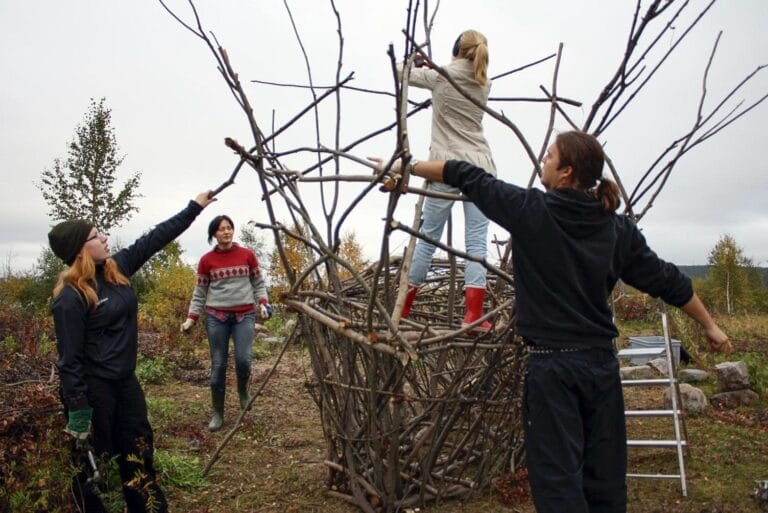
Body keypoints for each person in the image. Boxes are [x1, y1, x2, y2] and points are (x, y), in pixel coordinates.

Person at [372, 130, 732, 513]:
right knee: (606, 482)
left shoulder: (531, 211)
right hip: (601, 369)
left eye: (550, 155)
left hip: (553, 371)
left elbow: (465, 174)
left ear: (566, 172)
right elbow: (668, 280)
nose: (543, 160)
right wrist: (709, 325)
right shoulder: (615, 228)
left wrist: (406, 167)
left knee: (558, 484)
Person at [49, 190, 216, 513]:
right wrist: (79, 412)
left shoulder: (117, 268)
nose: (105, 238)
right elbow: (69, 360)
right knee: (88, 465)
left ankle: (148, 508)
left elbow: (154, 239)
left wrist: (194, 208)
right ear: (80, 249)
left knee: (138, 451)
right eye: (96, 236)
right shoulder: (69, 298)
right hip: (94, 391)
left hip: (125, 383)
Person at [397, 29, 496, 329]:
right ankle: (473, 315)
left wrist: (414, 61)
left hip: (444, 167)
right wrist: (434, 66)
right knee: (476, 240)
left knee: (427, 238)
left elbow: (401, 73)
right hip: (480, 166)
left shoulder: (440, 76)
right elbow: (460, 74)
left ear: (455, 50)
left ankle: (402, 311)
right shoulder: (484, 82)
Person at [181, 215, 272, 432]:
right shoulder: (206, 261)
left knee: (243, 359)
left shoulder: (247, 255)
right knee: (218, 365)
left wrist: (263, 303)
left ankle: (242, 391)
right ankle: (218, 413)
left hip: (244, 315)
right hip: (217, 317)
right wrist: (191, 317)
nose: (226, 232)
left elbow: (258, 283)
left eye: (229, 228)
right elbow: (200, 292)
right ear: (214, 233)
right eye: (221, 229)